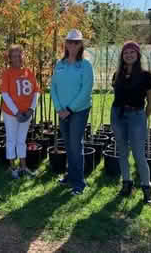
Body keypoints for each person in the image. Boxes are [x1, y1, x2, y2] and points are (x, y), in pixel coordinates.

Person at [111, 41, 151, 204]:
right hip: (118, 115)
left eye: (132, 52)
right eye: (125, 53)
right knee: (122, 151)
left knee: (138, 154)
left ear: (137, 55)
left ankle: (146, 187)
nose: (128, 55)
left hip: (137, 115)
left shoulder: (146, 76)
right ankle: (126, 184)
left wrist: (143, 117)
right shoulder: (117, 75)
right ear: (122, 56)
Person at [51, 29, 94, 196]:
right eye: (70, 42)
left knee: (76, 145)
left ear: (80, 45)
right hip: (62, 111)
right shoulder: (59, 64)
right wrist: (58, 107)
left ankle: (78, 183)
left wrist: (69, 109)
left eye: (76, 42)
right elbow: (53, 87)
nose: (72, 45)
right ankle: (70, 175)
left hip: (79, 111)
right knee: (68, 145)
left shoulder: (85, 65)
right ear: (66, 44)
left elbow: (86, 90)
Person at [0, 44, 39, 179]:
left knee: (21, 140)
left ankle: (23, 166)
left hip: (26, 113)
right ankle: (12, 167)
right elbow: (4, 94)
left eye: (19, 55)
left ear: (23, 56)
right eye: (14, 56)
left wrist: (31, 109)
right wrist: (16, 112)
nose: (17, 58)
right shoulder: (7, 73)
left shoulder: (29, 72)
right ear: (10, 58)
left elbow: (36, 92)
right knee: (11, 139)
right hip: (11, 113)